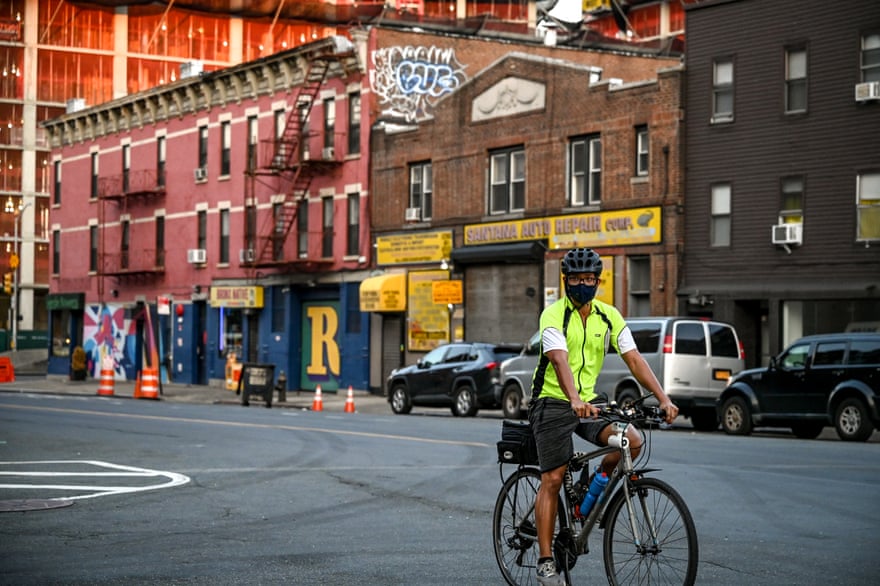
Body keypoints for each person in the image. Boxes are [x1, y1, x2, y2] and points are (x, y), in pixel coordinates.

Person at [528, 247, 679, 586]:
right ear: (567, 281)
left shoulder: (609, 315)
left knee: (632, 441)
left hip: (590, 404)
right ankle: (545, 561)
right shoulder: (553, 315)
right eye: (577, 279)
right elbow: (558, 359)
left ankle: (587, 498)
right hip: (551, 402)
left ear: (598, 281)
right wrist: (574, 398)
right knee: (552, 478)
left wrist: (663, 398)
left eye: (590, 278)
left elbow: (635, 359)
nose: (584, 284)